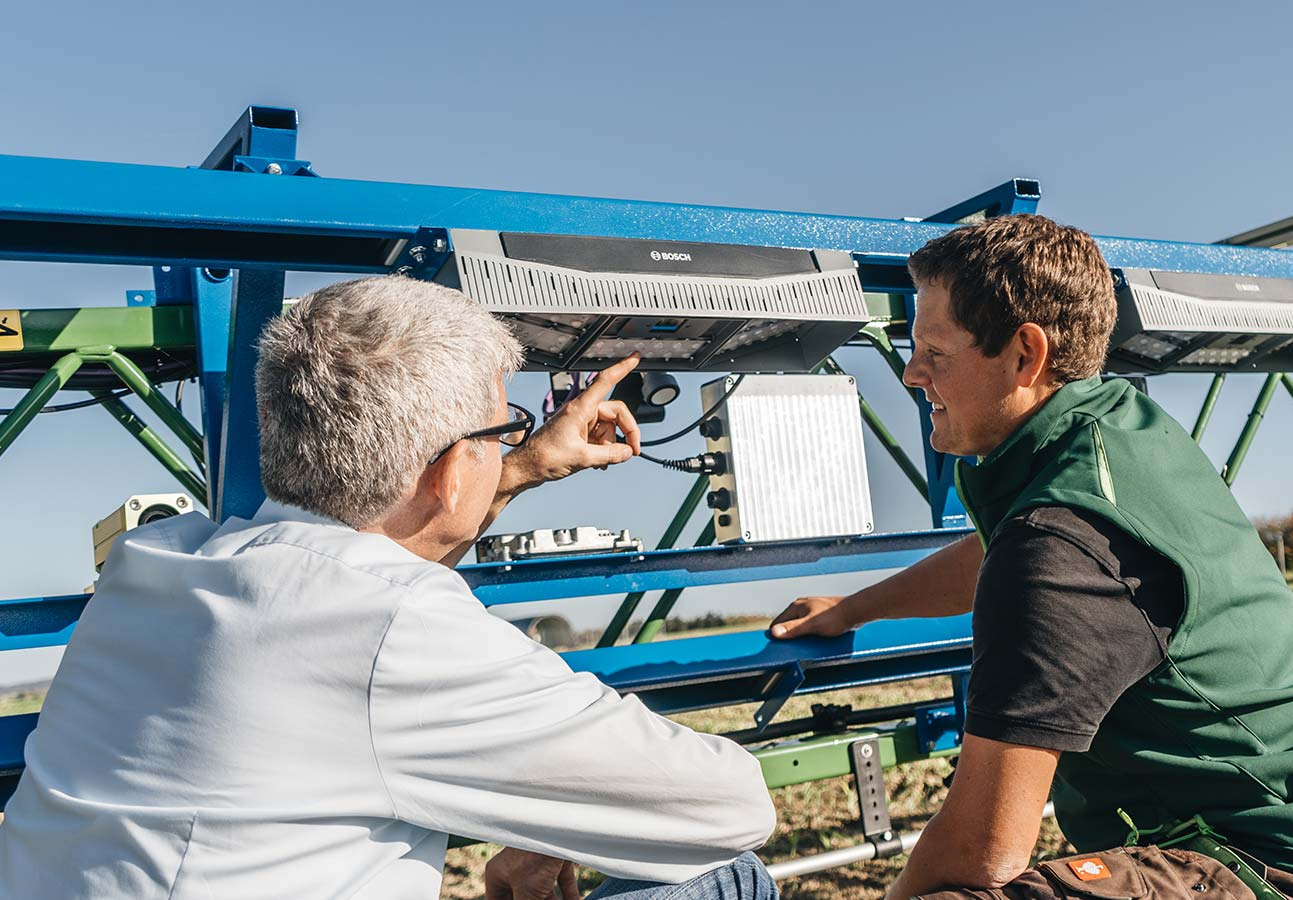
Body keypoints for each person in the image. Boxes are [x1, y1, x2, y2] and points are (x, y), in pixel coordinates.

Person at [0, 276, 778, 900]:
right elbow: (731, 807)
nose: (509, 441)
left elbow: (364, 563)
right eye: (502, 428)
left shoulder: (155, 559)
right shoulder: (400, 631)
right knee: (722, 875)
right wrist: (558, 817)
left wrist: (511, 468)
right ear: (447, 471)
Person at [771, 215, 1293, 899]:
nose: (912, 375)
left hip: (1290, 868)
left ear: (1025, 355)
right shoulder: (1111, 434)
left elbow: (982, 848)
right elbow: (1004, 552)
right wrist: (856, 608)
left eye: (934, 352)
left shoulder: (1060, 543)